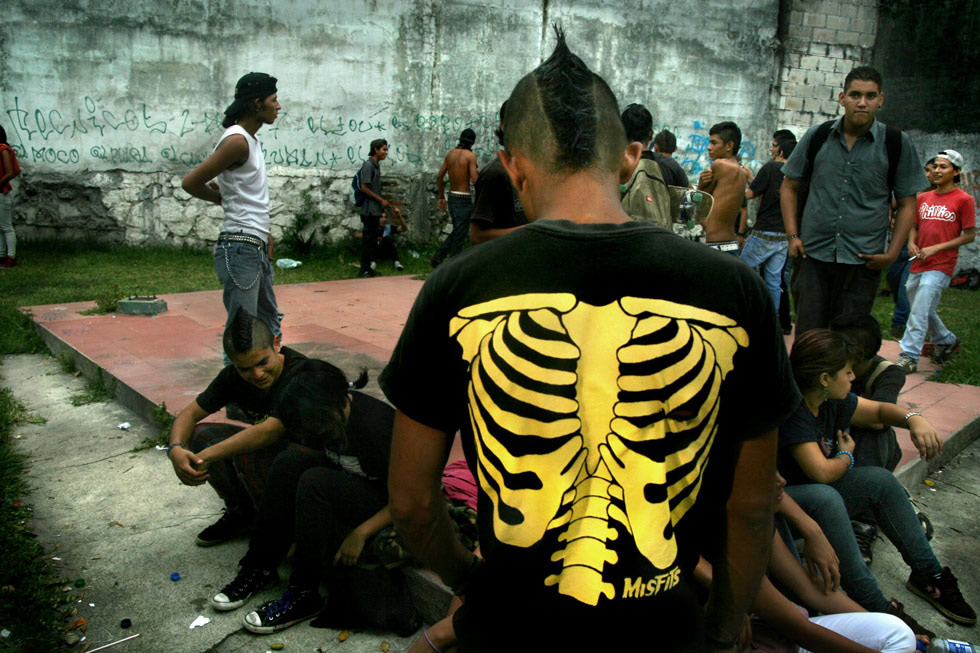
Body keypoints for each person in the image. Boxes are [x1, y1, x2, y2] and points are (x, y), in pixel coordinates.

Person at [382, 30, 800, 652]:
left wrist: (472, 581)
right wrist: (726, 618)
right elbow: (751, 504)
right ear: (629, 158)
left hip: (507, 629)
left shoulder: (457, 287)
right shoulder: (733, 290)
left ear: (515, 168)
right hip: (665, 630)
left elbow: (414, 501)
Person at [779, 329, 976, 627]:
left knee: (880, 481)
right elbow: (820, 472)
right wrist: (846, 456)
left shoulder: (832, 399)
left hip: (816, 499)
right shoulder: (796, 410)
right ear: (824, 379)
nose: (853, 378)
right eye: (846, 372)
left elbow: (879, 411)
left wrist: (915, 421)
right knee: (827, 495)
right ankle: (877, 608)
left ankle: (929, 575)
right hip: (785, 511)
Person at [207, 359, 397, 635]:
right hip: (350, 483)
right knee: (289, 461)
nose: (315, 433)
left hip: (385, 502)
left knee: (314, 481)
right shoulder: (321, 417)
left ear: (333, 406)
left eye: (317, 426)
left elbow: (412, 497)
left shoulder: (376, 428)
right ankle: (260, 566)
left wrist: (361, 533)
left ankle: (304, 592)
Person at [780, 66, 927, 337]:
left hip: (863, 261)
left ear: (880, 99)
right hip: (813, 255)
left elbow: (907, 203)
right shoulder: (818, 136)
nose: (862, 102)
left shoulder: (895, 143)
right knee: (809, 336)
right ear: (842, 98)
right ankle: (806, 381)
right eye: (855, 94)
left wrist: (893, 253)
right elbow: (788, 186)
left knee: (848, 339)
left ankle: (846, 380)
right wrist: (792, 236)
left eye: (870, 96)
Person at [167, 308, 308, 546]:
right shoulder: (232, 377)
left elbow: (271, 431)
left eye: (263, 363)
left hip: (307, 461)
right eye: (245, 368)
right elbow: (190, 413)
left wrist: (204, 457)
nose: (257, 374)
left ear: (276, 343)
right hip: (272, 450)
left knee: (249, 456)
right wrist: (175, 449)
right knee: (201, 434)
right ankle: (242, 512)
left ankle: (281, 528)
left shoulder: (303, 373)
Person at [182, 72, 283, 347]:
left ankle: (264, 385)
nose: (279, 106)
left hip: (252, 244)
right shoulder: (237, 141)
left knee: (268, 323)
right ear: (256, 103)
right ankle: (235, 388)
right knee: (244, 334)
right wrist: (220, 200)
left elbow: (249, 197)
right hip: (240, 247)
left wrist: (264, 235)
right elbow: (191, 183)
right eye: (274, 100)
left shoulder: (249, 140)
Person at [895, 149, 976, 373]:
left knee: (920, 309)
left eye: (944, 167)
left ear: (956, 171)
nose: (937, 171)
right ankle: (946, 339)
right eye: (935, 167)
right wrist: (911, 242)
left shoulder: (964, 200)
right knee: (920, 306)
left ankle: (909, 355)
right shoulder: (923, 197)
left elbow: (969, 234)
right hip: (919, 261)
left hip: (942, 264)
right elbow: (915, 225)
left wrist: (936, 248)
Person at [741, 140, 797, 309]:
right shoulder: (797, 173)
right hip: (784, 235)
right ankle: (772, 321)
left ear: (780, 152)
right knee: (773, 281)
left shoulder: (771, 167)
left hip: (764, 232)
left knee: (743, 272)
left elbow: (750, 194)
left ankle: (745, 314)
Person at [468, 102, 528, 245]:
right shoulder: (495, 174)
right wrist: (530, 232)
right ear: (503, 126)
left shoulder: (535, 172)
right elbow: (477, 237)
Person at [697, 121, 748, 254]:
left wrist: (701, 184)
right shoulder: (742, 172)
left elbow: (696, 205)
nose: (709, 147)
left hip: (716, 246)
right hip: (730, 244)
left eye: (714, 143)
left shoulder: (720, 165)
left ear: (729, 146)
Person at [431, 129, 479, 267]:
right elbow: (475, 180)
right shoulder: (470, 156)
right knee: (461, 232)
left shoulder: (450, 154)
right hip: (464, 197)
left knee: (459, 229)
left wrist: (441, 197)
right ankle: (453, 263)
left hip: (452, 196)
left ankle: (439, 257)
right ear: (473, 142)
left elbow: (440, 176)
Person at [619, 103, 670, 229]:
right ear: (651, 133)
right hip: (661, 243)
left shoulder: (612, 168)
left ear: (621, 132)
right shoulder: (669, 166)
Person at [357, 138, 396, 278]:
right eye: (384, 149)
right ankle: (364, 270)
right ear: (376, 150)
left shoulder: (375, 166)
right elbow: (364, 187)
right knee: (368, 241)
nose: (386, 152)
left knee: (372, 241)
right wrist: (381, 200)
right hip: (369, 210)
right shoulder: (368, 166)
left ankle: (368, 268)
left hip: (375, 210)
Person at [0, 125, 21, 268]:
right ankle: (1, 255)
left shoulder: (3, 149)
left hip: (2, 193)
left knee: (6, 227)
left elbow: (11, 172)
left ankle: (11, 257)